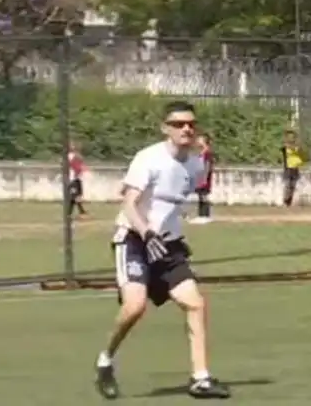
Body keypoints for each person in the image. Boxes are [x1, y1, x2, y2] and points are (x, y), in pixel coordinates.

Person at [94, 100, 231, 400]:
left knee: (195, 304)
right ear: (165, 128)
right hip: (134, 240)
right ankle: (105, 360)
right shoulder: (148, 159)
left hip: (168, 246)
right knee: (134, 307)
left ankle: (201, 379)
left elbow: (173, 202)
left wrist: (169, 234)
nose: (186, 129)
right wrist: (147, 232)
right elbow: (129, 203)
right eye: (179, 124)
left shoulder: (195, 164)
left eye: (191, 124)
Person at [191, 133, 214, 225]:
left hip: (204, 177)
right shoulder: (201, 153)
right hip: (200, 176)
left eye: (200, 139)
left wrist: (204, 177)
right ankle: (201, 215)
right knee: (200, 196)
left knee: (204, 195)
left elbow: (207, 166)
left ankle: (205, 216)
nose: (197, 141)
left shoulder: (207, 153)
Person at [280, 130, 306, 206]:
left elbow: (300, 148)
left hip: (295, 168)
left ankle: (289, 202)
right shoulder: (286, 148)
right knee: (287, 185)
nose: (291, 139)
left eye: (292, 137)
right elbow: (285, 145)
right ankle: (285, 201)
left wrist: (296, 136)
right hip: (288, 168)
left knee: (293, 186)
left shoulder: (297, 147)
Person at [67, 141, 89, 220]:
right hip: (72, 179)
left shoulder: (76, 156)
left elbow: (80, 164)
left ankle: (69, 214)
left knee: (76, 197)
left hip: (77, 179)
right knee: (75, 197)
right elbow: (74, 164)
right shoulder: (69, 156)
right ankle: (82, 213)